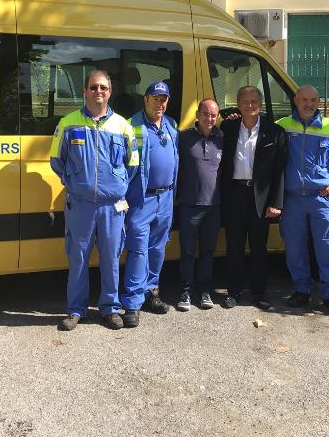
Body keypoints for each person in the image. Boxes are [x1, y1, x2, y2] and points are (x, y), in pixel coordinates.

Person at [50, 69, 139, 331]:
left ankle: (110, 308)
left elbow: (132, 164)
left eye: (103, 87)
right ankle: (76, 310)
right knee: (78, 258)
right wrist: (76, 183)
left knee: (111, 258)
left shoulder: (123, 126)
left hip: (112, 206)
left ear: (110, 92)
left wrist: (116, 186)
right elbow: (56, 161)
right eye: (93, 87)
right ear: (85, 91)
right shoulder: (68, 123)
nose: (98, 91)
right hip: (80, 205)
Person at [276, 85, 329, 315]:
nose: (309, 104)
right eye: (304, 99)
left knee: (325, 246)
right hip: (293, 199)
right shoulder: (283, 126)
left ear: (318, 102)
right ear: (296, 100)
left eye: (313, 100)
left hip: (321, 199)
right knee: (294, 247)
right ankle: (301, 289)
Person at [220, 86, 286, 311]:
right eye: (245, 101)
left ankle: (259, 293)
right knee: (234, 247)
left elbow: (280, 171)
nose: (250, 105)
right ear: (238, 104)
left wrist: (276, 203)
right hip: (234, 194)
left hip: (260, 198)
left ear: (260, 103)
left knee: (259, 248)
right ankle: (233, 292)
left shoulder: (274, 132)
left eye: (254, 101)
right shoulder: (228, 128)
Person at [121, 81, 179, 327]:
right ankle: (132, 302)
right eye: (155, 99)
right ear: (145, 99)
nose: (160, 103)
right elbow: (121, 164)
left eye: (163, 99)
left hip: (166, 198)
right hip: (141, 198)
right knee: (138, 250)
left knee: (157, 249)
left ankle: (151, 293)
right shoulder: (131, 126)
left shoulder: (171, 125)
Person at [176, 99, 223, 311]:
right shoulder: (183, 137)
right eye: (205, 114)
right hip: (189, 204)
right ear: (197, 114)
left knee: (207, 251)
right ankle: (185, 291)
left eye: (213, 115)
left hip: (213, 206)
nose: (209, 118)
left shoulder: (222, 138)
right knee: (187, 251)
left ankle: (204, 290)